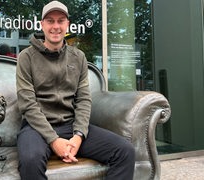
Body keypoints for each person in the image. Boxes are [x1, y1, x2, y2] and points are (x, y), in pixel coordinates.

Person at [16, 1, 135, 180]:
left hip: (70, 126)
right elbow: (27, 104)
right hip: (36, 128)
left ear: (67, 25)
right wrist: (53, 140)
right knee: (31, 160)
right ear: (42, 25)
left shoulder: (78, 57)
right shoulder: (26, 57)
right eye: (50, 21)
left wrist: (79, 135)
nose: (55, 26)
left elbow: (84, 100)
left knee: (124, 151)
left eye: (60, 21)